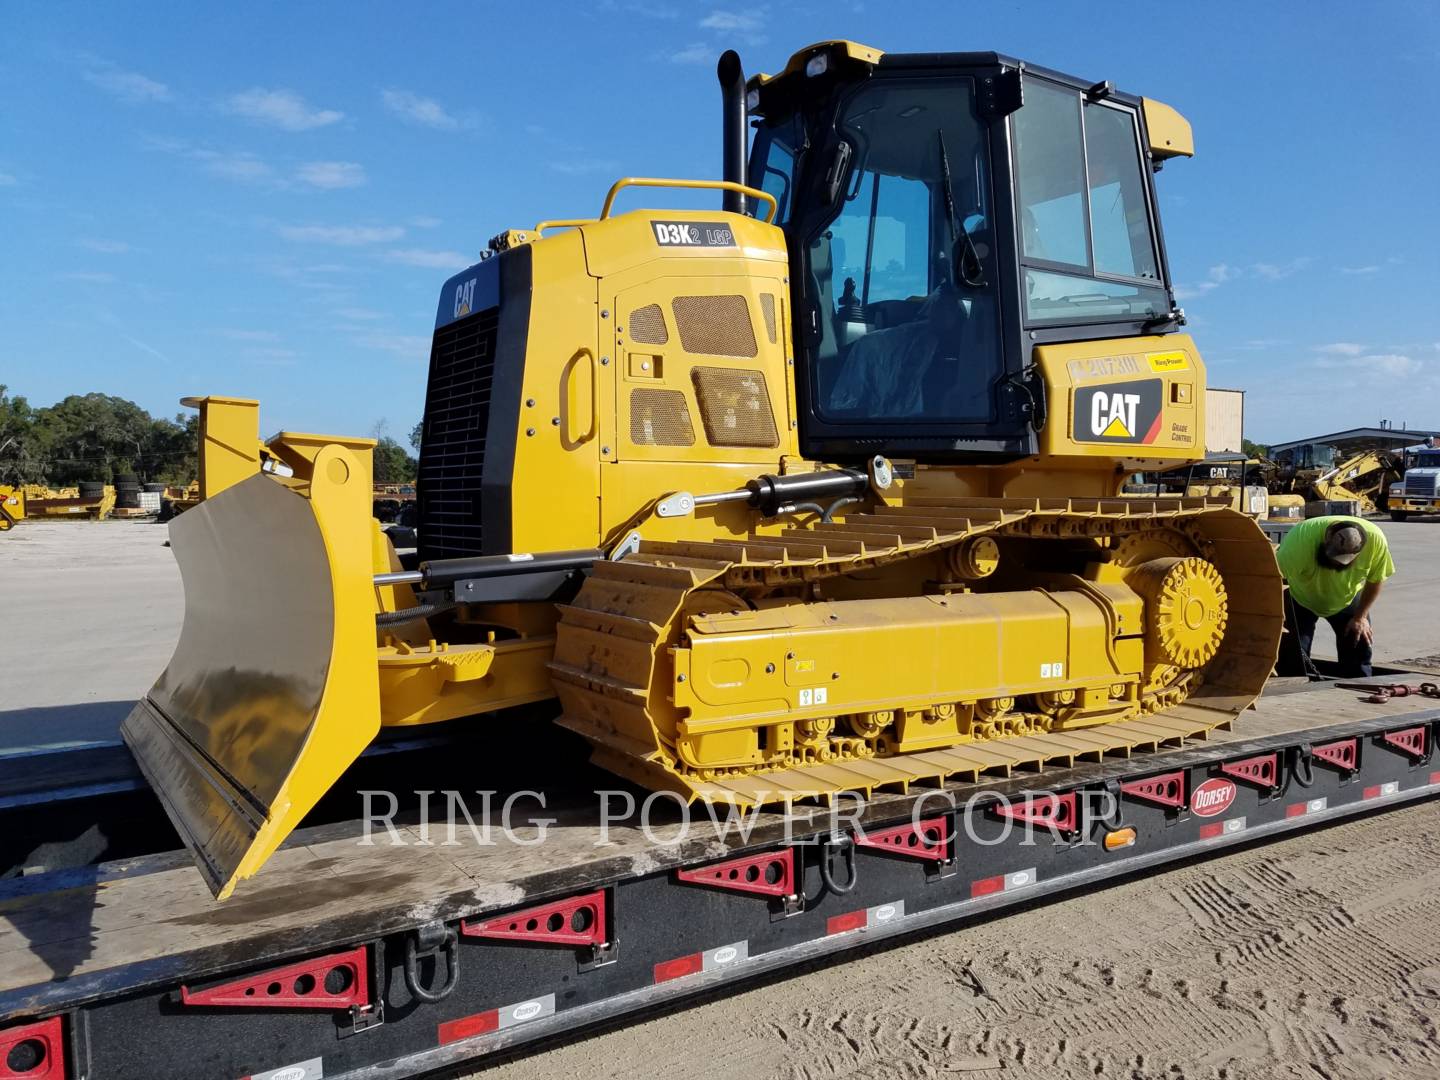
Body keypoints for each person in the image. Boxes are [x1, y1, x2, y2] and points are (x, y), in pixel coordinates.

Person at [1275, 515, 1394, 678]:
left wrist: (1360, 617)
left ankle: (1359, 685)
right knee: (1293, 656)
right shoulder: (1300, 540)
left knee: (1359, 641)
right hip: (1301, 598)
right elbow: (1274, 581)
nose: (1336, 563)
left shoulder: (1376, 541)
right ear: (1327, 538)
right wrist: (1278, 618)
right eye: (1334, 556)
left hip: (1347, 598)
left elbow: (1376, 580)